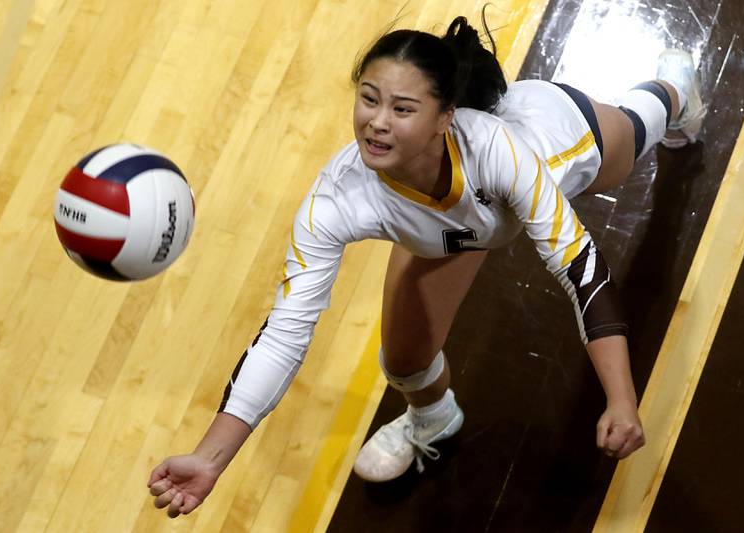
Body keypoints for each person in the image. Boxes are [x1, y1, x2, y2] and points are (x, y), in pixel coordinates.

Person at [147, 15, 705, 516]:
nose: (377, 123)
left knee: (639, 125)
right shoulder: (338, 198)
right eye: (369, 99)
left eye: (402, 108)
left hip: (557, 149)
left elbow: (580, 270)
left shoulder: (500, 149)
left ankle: (677, 91)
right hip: (451, 233)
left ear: (446, 116)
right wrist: (211, 457)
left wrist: (622, 398)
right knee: (405, 356)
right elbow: (285, 334)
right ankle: (433, 419)